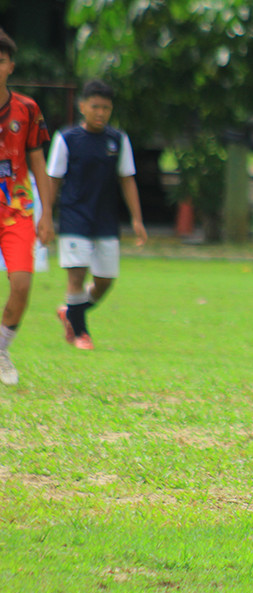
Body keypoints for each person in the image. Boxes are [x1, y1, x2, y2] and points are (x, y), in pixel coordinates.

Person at [47, 79, 147, 350]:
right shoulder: (66, 139)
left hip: (105, 218)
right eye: (95, 107)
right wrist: (46, 216)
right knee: (76, 276)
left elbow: (127, 179)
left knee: (104, 281)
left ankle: (70, 312)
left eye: (105, 107)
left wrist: (137, 219)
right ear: (82, 107)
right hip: (74, 216)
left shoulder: (117, 140)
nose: (100, 112)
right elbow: (53, 180)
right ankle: (81, 333)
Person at [0, 27, 55, 386]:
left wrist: (47, 213)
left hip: (17, 208)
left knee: (21, 284)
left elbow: (38, 163)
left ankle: (1, 350)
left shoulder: (27, 109)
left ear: (10, 66)